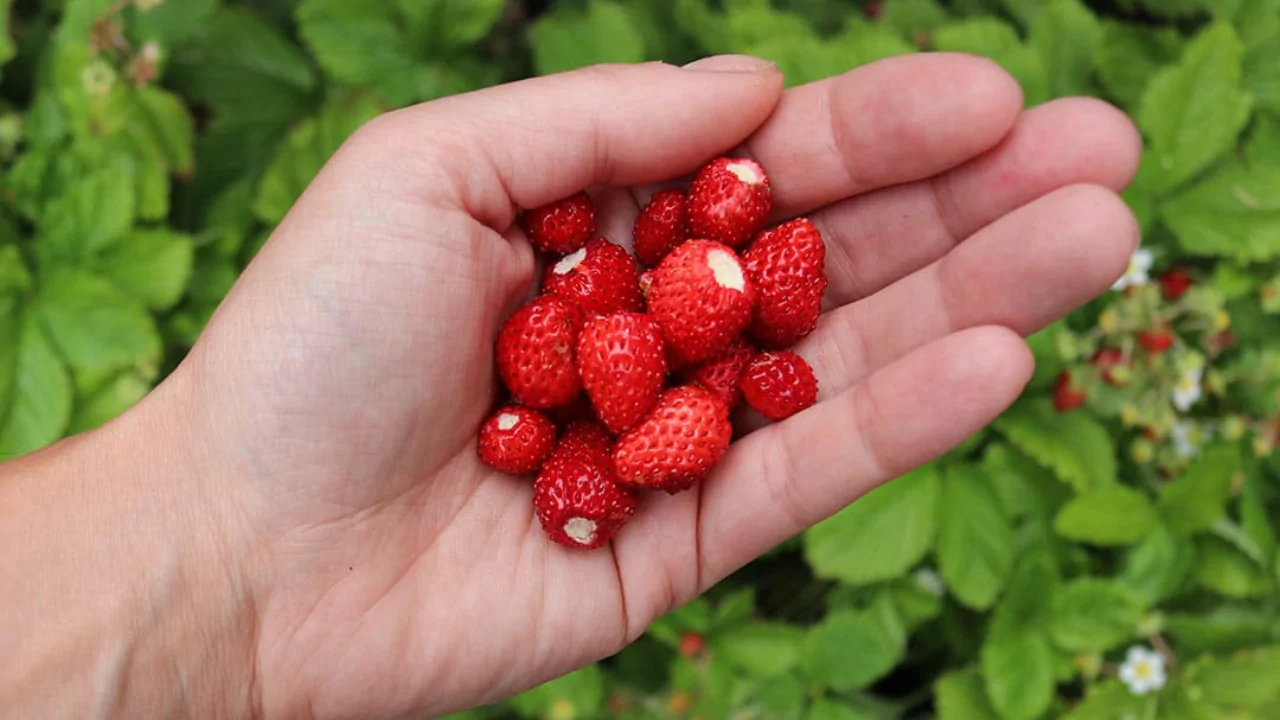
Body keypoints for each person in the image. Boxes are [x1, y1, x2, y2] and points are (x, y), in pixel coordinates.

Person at [0, 54, 1141, 719]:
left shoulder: (656, 327)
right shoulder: (604, 338)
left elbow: (658, 367)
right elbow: (612, 360)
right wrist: (217, 535)